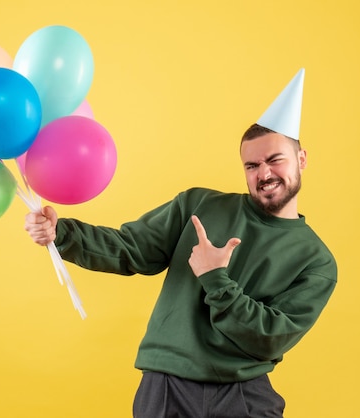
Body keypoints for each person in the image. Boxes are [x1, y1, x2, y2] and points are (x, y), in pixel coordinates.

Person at [24, 69, 337, 417]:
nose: (263, 173)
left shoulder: (316, 261)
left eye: (275, 159)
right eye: (252, 164)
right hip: (167, 382)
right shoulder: (199, 205)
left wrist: (215, 279)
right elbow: (131, 248)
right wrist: (62, 233)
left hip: (241, 392)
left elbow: (270, 337)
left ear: (301, 159)